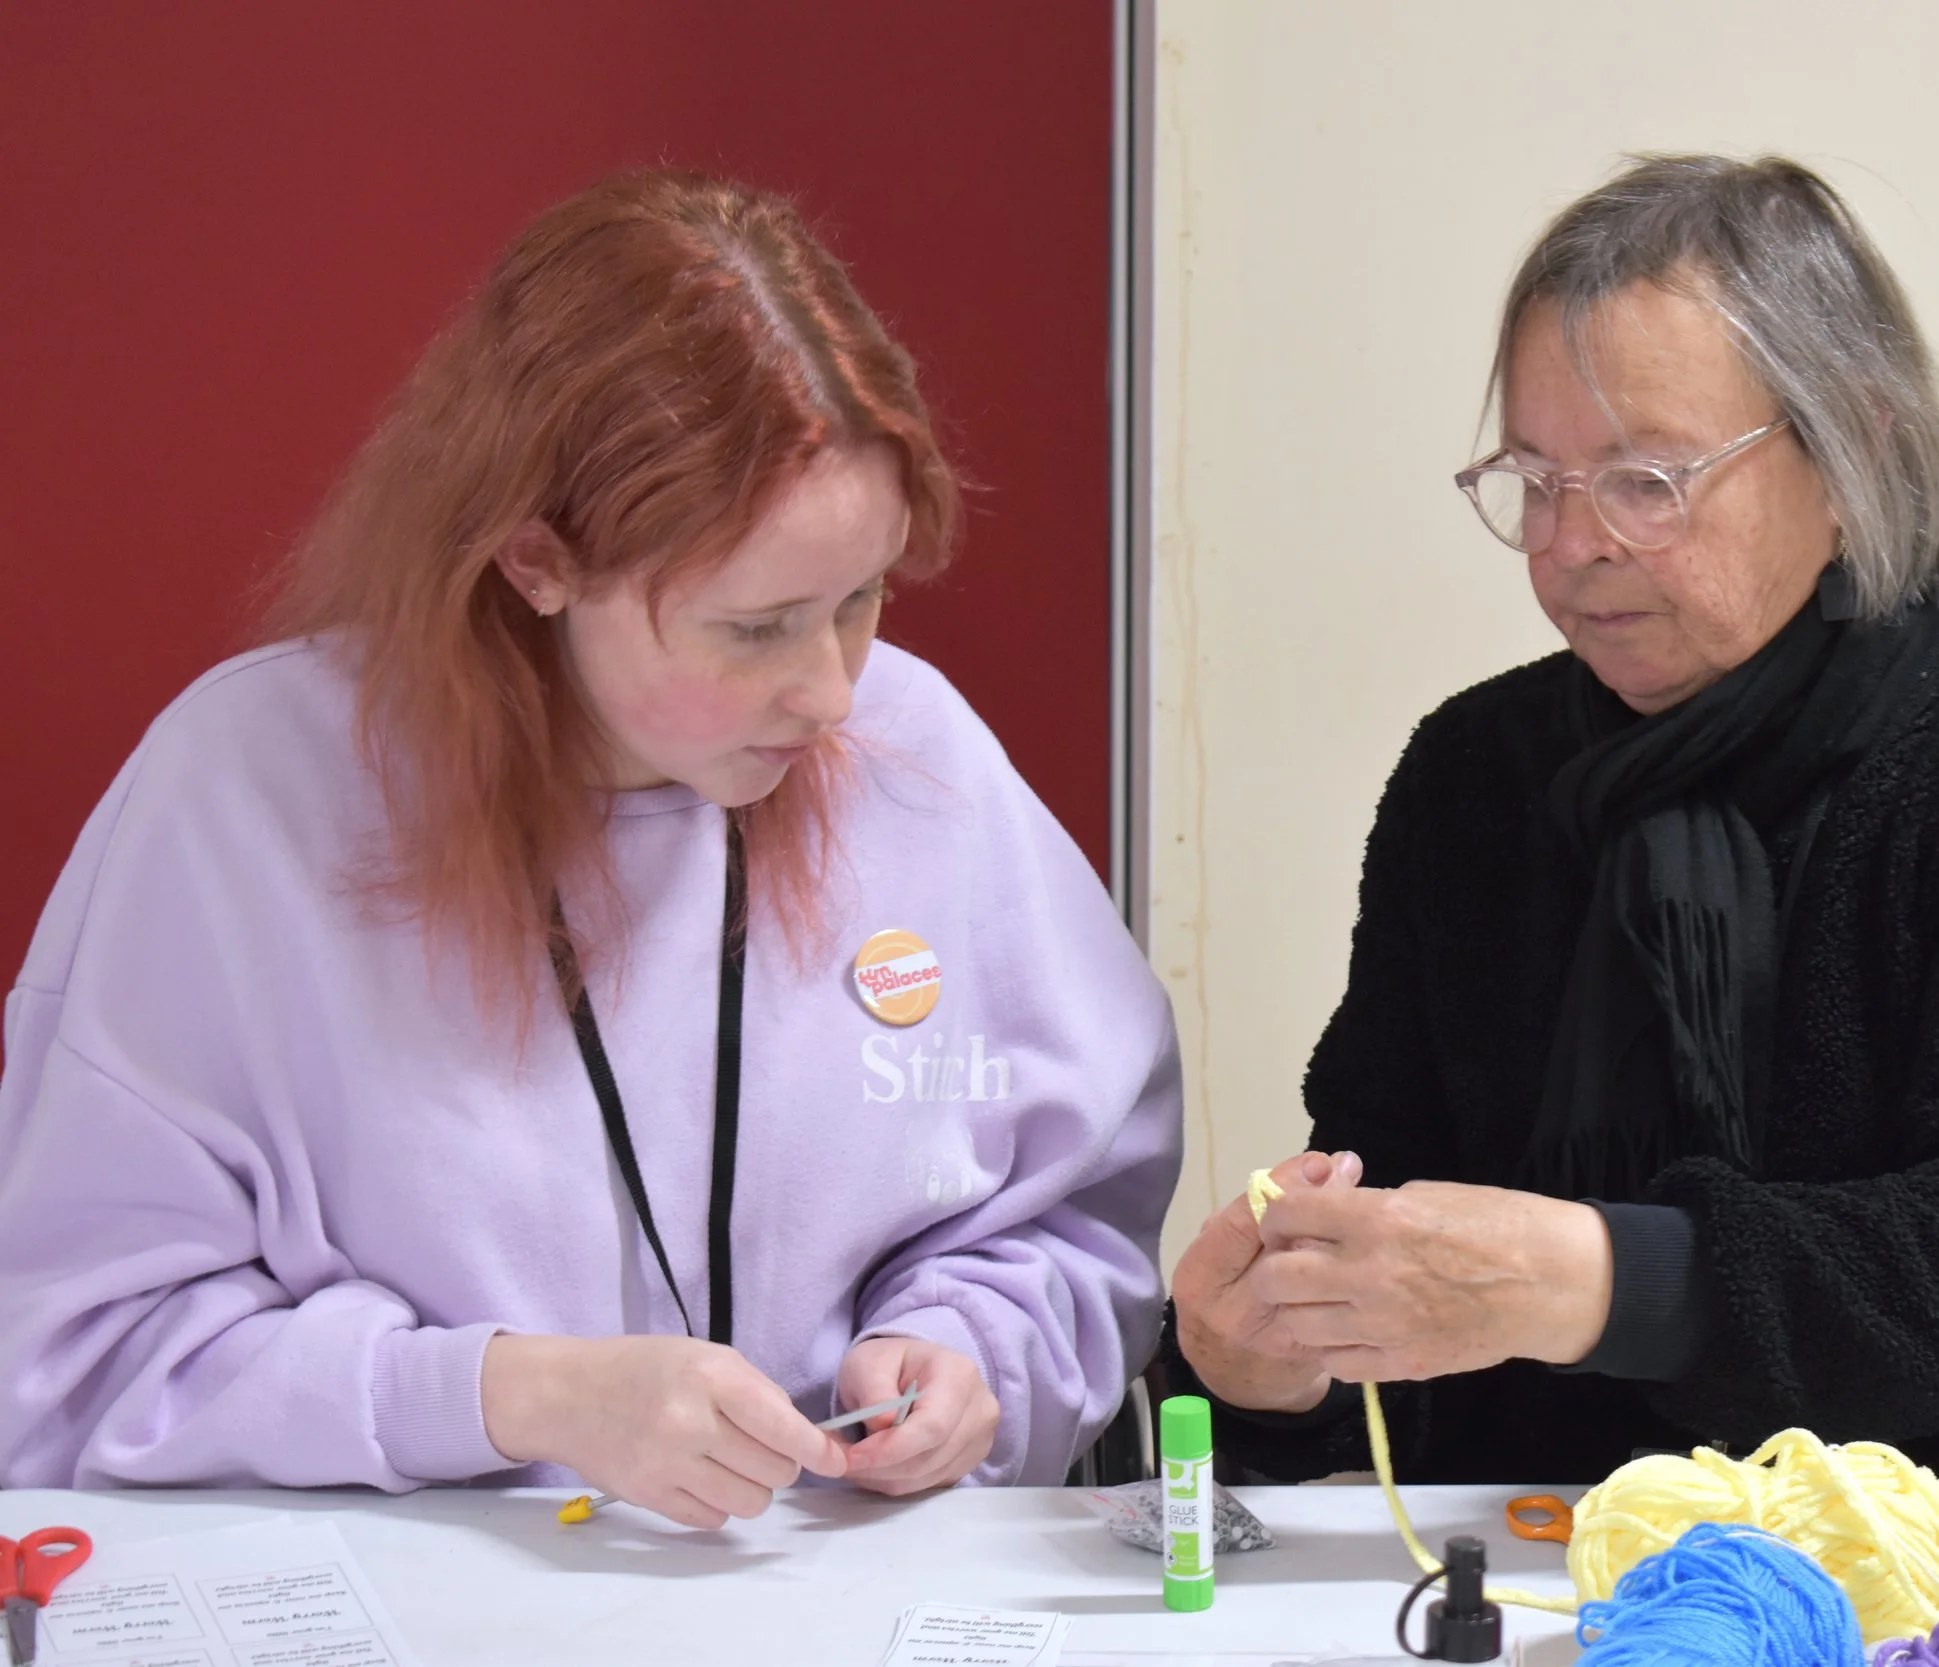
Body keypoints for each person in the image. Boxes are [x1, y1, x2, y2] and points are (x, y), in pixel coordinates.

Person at [0, 172, 1182, 1523]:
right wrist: (513, 1396)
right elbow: (75, 1370)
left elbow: (1078, 1218)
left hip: (830, 1593)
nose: (831, 691)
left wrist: (969, 1351)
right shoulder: (245, 801)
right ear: (538, 562)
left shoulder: (919, 761)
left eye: (863, 600)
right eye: (755, 627)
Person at [1167, 154, 1939, 1484]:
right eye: (1536, 478)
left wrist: (1592, 1279)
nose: (1571, 544)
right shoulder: (1474, 777)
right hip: (1601, 1541)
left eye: (1645, 480)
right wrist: (1281, 1368)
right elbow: (1414, 1257)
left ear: (1853, 453)